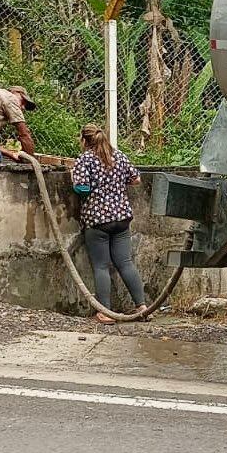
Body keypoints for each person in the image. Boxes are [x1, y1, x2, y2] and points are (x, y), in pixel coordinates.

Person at [71, 124, 147, 325]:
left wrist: (90, 189)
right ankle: (142, 306)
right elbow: (137, 179)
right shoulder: (119, 156)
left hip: (97, 220)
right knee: (125, 262)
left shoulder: (85, 159)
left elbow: (81, 188)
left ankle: (105, 312)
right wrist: (117, 186)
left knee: (101, 266)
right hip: (122, 217)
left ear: (84, 140)